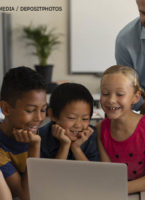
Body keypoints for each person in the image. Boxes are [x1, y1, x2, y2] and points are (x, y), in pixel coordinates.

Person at [96, 65, 145, 194]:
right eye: (105, 93)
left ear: (136, 97)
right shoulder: (100, 129)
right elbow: (109, 173)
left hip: (144, 194)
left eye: (120, 94)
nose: (111, 100)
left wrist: (118, 190)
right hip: (115, 193)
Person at [0, 66, 47, 200]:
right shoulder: (2, 149)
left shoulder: (43, 133)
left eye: (43, 110)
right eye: (30, 110)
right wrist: (34, 147)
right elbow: (28, 196)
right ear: (6, 108)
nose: (39, 118)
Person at [39, 83, 99, 161]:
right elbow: (53, 172)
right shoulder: (41, 137)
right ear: (52, 115)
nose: (78, 125)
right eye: (71, 118)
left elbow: (92, 172)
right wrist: (65, 145)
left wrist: (76, 148)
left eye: (85, 119)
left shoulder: (91, 136)